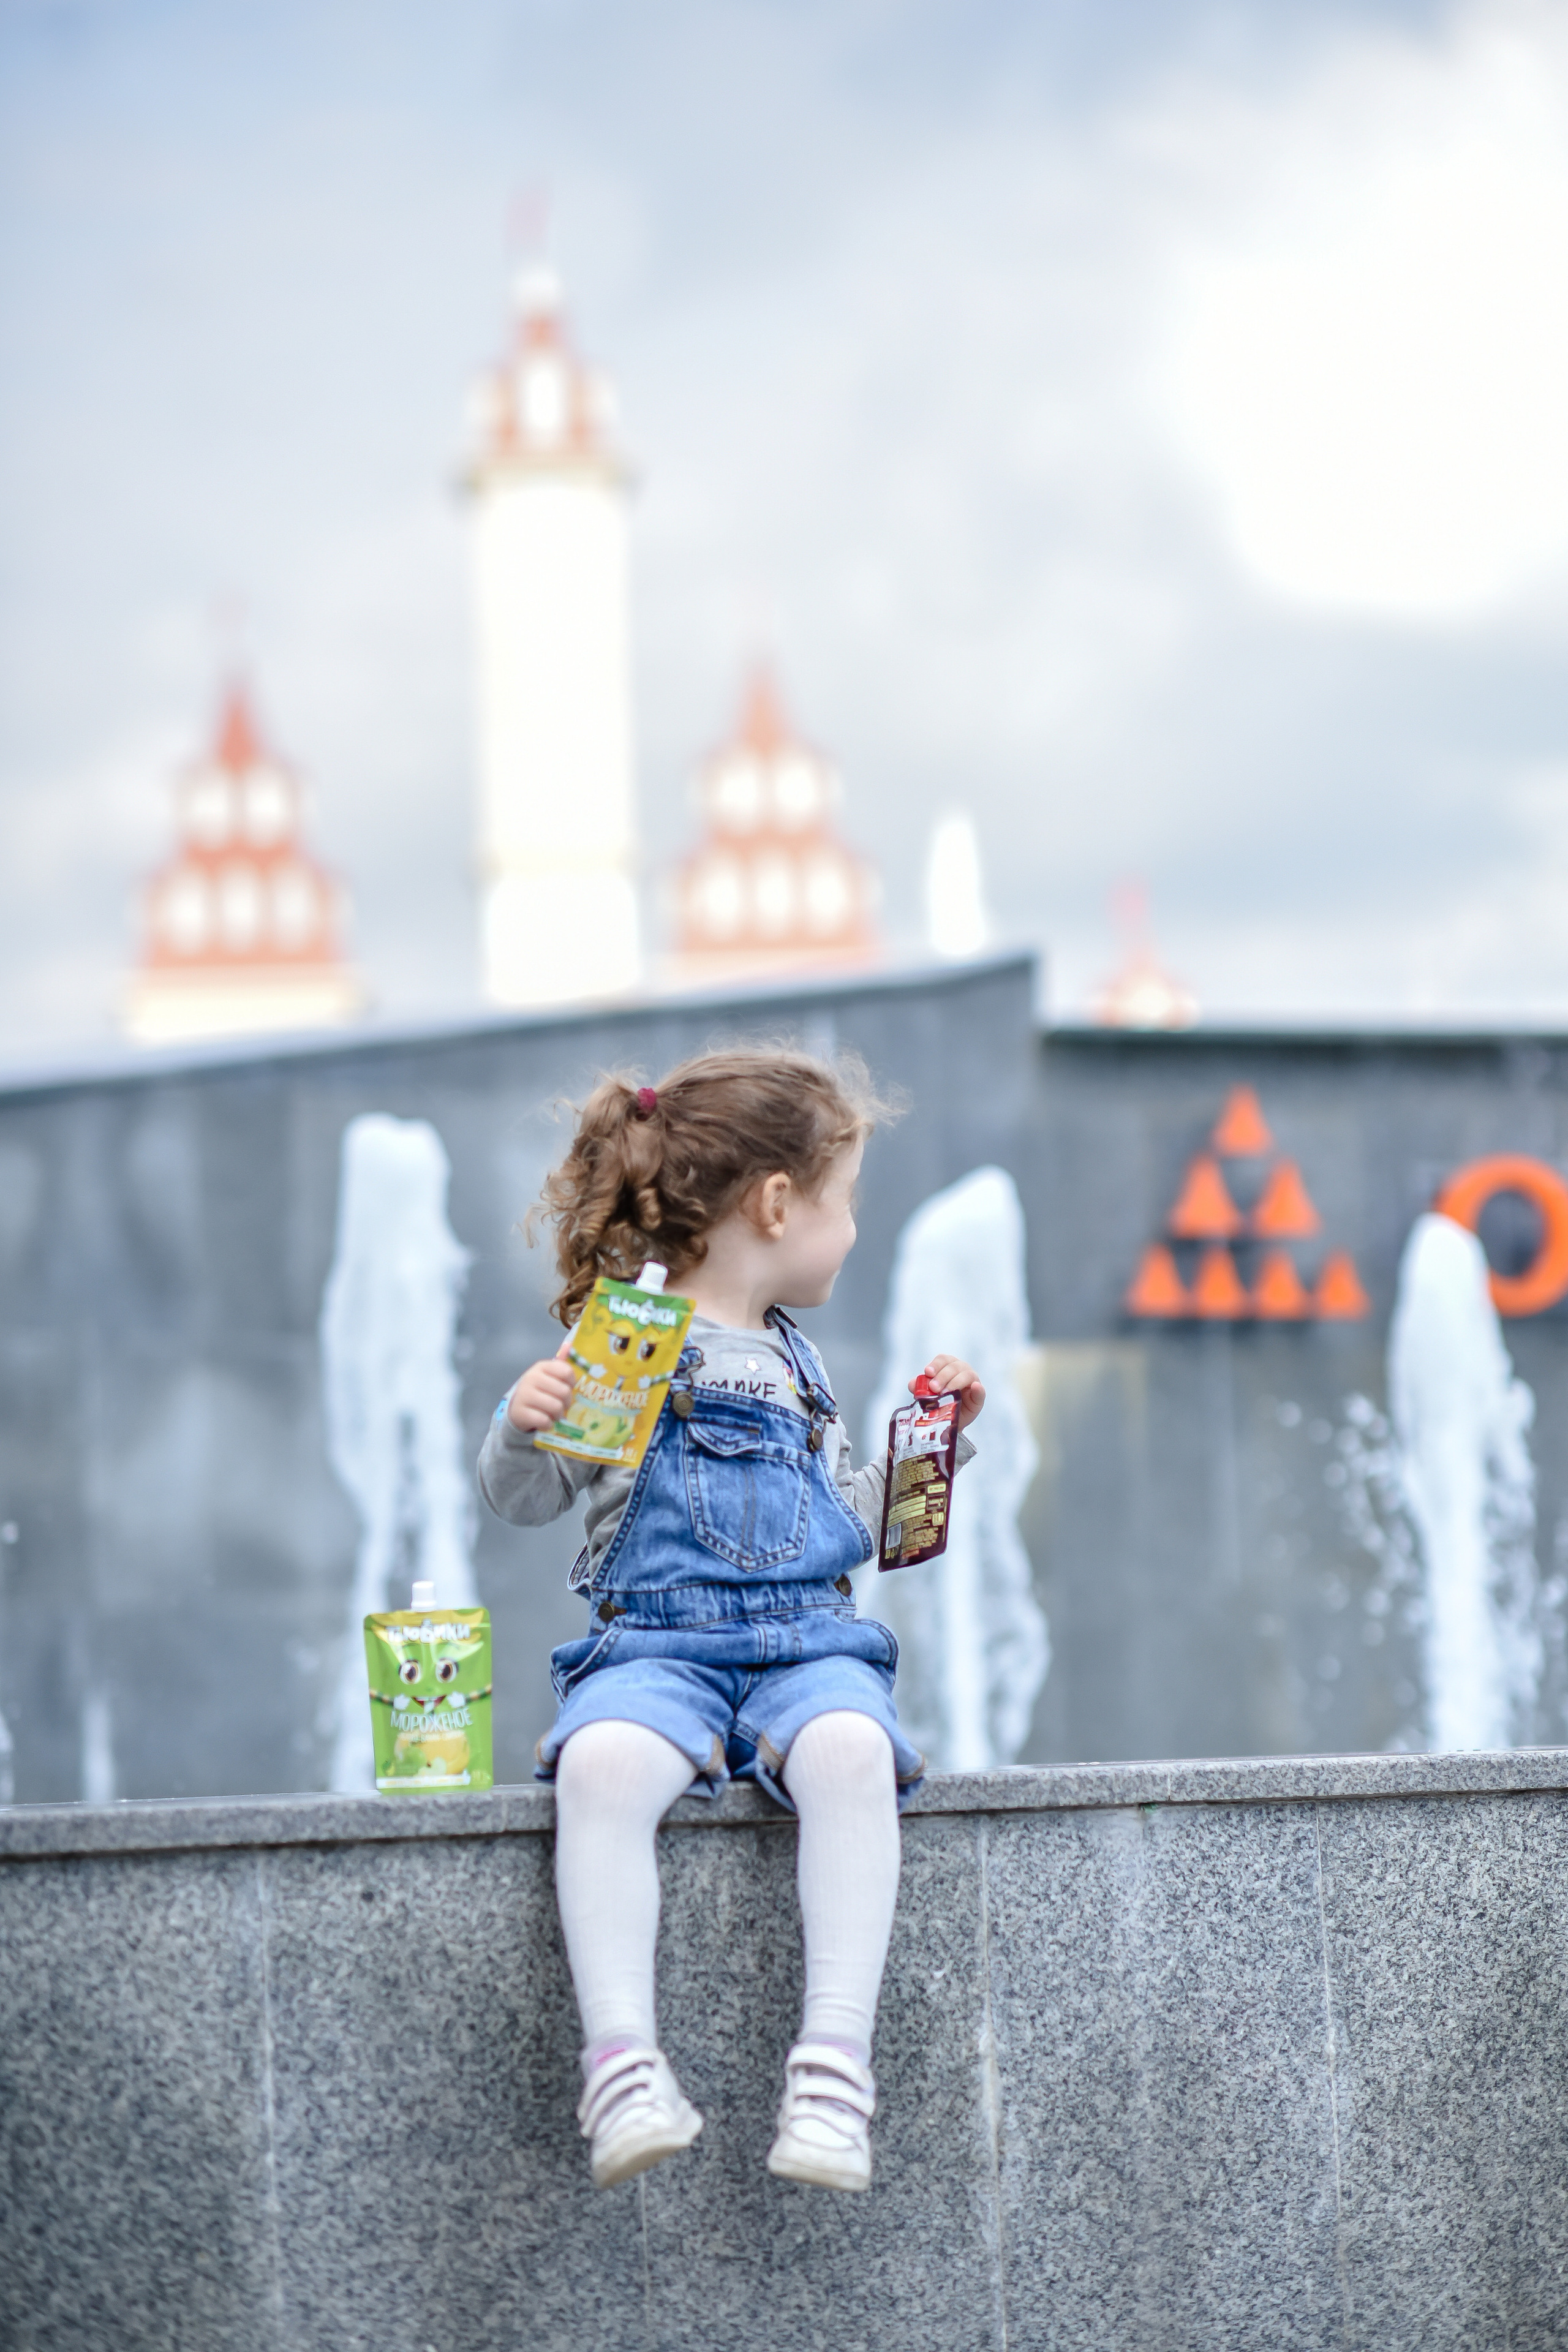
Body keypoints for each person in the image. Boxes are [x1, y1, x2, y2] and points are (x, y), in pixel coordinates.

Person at [477, 1047, 984, 2194]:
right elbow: (527, 1500)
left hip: (809, 1644)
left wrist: (934, 1450)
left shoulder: (801, 1365)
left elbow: (854, 1530)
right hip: (657, 1644)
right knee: (601, 1765)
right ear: (777, 1204)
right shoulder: (627, 1340)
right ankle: (622, 2064)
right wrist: (523, 1424)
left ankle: (834, 2071)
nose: (852, 1230)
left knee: (853, 1749)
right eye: (845, 1202)